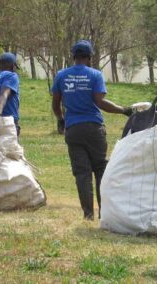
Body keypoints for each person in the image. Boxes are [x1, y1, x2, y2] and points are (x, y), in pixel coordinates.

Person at [51, 40, 132, 220]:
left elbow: (55, 104)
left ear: (73, 56)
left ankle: (88, 215)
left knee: (82, 173)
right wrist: (123, 110)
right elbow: (100, 102)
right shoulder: (95, 75)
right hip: (94, 128)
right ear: (89, 57)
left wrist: (61, 120)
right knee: (100, 169)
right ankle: (105, 213)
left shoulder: (61, 75)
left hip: (73, 129)